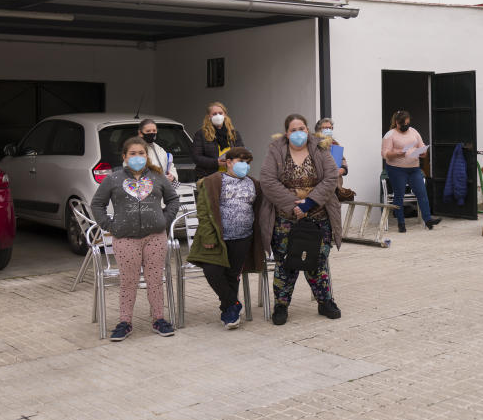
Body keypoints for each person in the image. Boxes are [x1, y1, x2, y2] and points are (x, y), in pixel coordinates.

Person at [90, 136, 180, 341]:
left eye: (141, 153)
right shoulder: (113, 179)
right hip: (126, 239)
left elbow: (173, 199)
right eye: (133, 153)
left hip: (155, 237)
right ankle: (124, 322)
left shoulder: (158, 177)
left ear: (146, 156)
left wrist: (163, 221)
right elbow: (97, 204)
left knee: (155, 280)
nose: (138, 157)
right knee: (128, 281)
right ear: (124, 156)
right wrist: (110, 225)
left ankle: (159, 319)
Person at [259, 114, 343, 325]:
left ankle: (325, 302)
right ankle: (281, 305)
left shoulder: (320, 148)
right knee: (286, 263)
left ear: (308, 130)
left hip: (318, 216)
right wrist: (292, 204)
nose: (299, 133)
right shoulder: (276, 150)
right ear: (287, 133)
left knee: (318, 261)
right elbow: (267, 180)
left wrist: (309, 203)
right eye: (294, 129)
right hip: (285, 218)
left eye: (302, 129)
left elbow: (331, 177)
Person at [187, 147, 268, 329]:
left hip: (243, 237)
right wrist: (208, 237)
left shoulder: (253, 184)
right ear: (228, 162)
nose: (244, 166)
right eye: (240, 161)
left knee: (232, 275)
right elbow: (204, 212)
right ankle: (233, 303)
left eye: (247, 163)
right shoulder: (213, 181)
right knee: (212, 271)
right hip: (217, 238)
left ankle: (229, 312)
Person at [381, 110, 441, 232]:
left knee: (422, 193)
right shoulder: (389, 135)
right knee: (399, 195)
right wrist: (398, 153)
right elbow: (384, 154)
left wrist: (423, 152)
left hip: (414, 169)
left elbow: (421, 145)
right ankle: (401, 223)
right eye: (403, 124)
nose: (405, 126)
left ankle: (428, 220)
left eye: (407, 123)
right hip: (397, 169)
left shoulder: (413, 131)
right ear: (396, 122)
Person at [191, 102, 244, 180]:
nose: (218, 116)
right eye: (214, 114)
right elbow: (196, 157)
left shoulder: (234, 133)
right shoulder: (201, 134)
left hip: (231, 176)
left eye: (220, 113)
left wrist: (234, 161)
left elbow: (242, 152)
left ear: (225, 115)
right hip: (209, 177)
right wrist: (216, 163)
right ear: (209, 117)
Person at [138, 118, 178, 183]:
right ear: (140, 133)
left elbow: (170, 166)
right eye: (148, 131)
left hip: (162, 188)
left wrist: (172, 176)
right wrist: (159, 179)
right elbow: (134, 173)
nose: (152, 133)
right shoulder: (135, 150)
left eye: (154, 131)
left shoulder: (159, 149)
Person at [314, 117, 348, 184]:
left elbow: (343, 161)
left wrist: (343, 169)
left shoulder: (335, 143)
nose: (328, 130)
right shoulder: (314, 144)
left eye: (330, 128)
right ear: (318, 129)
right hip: (319, 183)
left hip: (335, 184)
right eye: (325, 128)